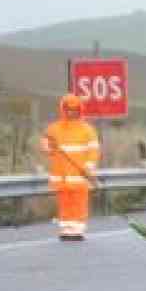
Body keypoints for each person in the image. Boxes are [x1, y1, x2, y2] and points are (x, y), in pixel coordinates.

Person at [42, 94, 102, 241]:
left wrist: (88, 168)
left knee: (79, 204)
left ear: (80, 110)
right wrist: (50, 146)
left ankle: (77, 230)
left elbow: (93, 151)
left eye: (74, 109)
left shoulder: (87, 130)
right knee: (64, 204)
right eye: (68, 109)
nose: (71, 112)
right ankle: (66, 230)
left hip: (80, 175)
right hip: (61, 175)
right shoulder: (53, 129)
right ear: (63, 109)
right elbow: (45, 146)